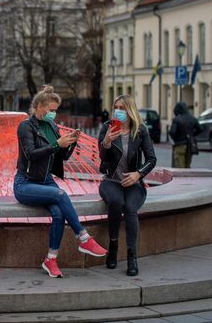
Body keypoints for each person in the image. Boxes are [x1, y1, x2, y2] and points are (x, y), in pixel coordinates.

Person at [14, 85, 107, 278]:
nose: (54, 114)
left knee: (58, 213)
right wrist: (57, 144)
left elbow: (61, 156)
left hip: (46, 181)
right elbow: (30, 155)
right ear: (39, 106)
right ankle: (83, 237)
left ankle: (51, 259)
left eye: (56, 110)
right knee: (61, 194)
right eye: (51, 109)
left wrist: (70, 142)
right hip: (25, 183)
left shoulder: (52, 126)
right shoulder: (26, 126)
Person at [98, 95, 157, 276]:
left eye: (123, 108)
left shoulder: (140, 130)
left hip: (133, 183)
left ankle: (132, 256)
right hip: (111, 181)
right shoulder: (107, 127)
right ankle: (113, 245)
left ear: (130, 110)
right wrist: (106, 143)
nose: (119, 111)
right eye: (116, 107)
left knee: (130, 208)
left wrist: (138, 174)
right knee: (116, 202)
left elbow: (151, 158)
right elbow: (102, 158)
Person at [168, 102, 201, 168]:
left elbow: (172, 133)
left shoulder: (176, 119)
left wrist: (175, 139)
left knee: (179, 167)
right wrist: (192, 135)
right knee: (187, 166)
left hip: (179, 145)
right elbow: (200, 129)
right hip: (190, 145)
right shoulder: (193, 118)